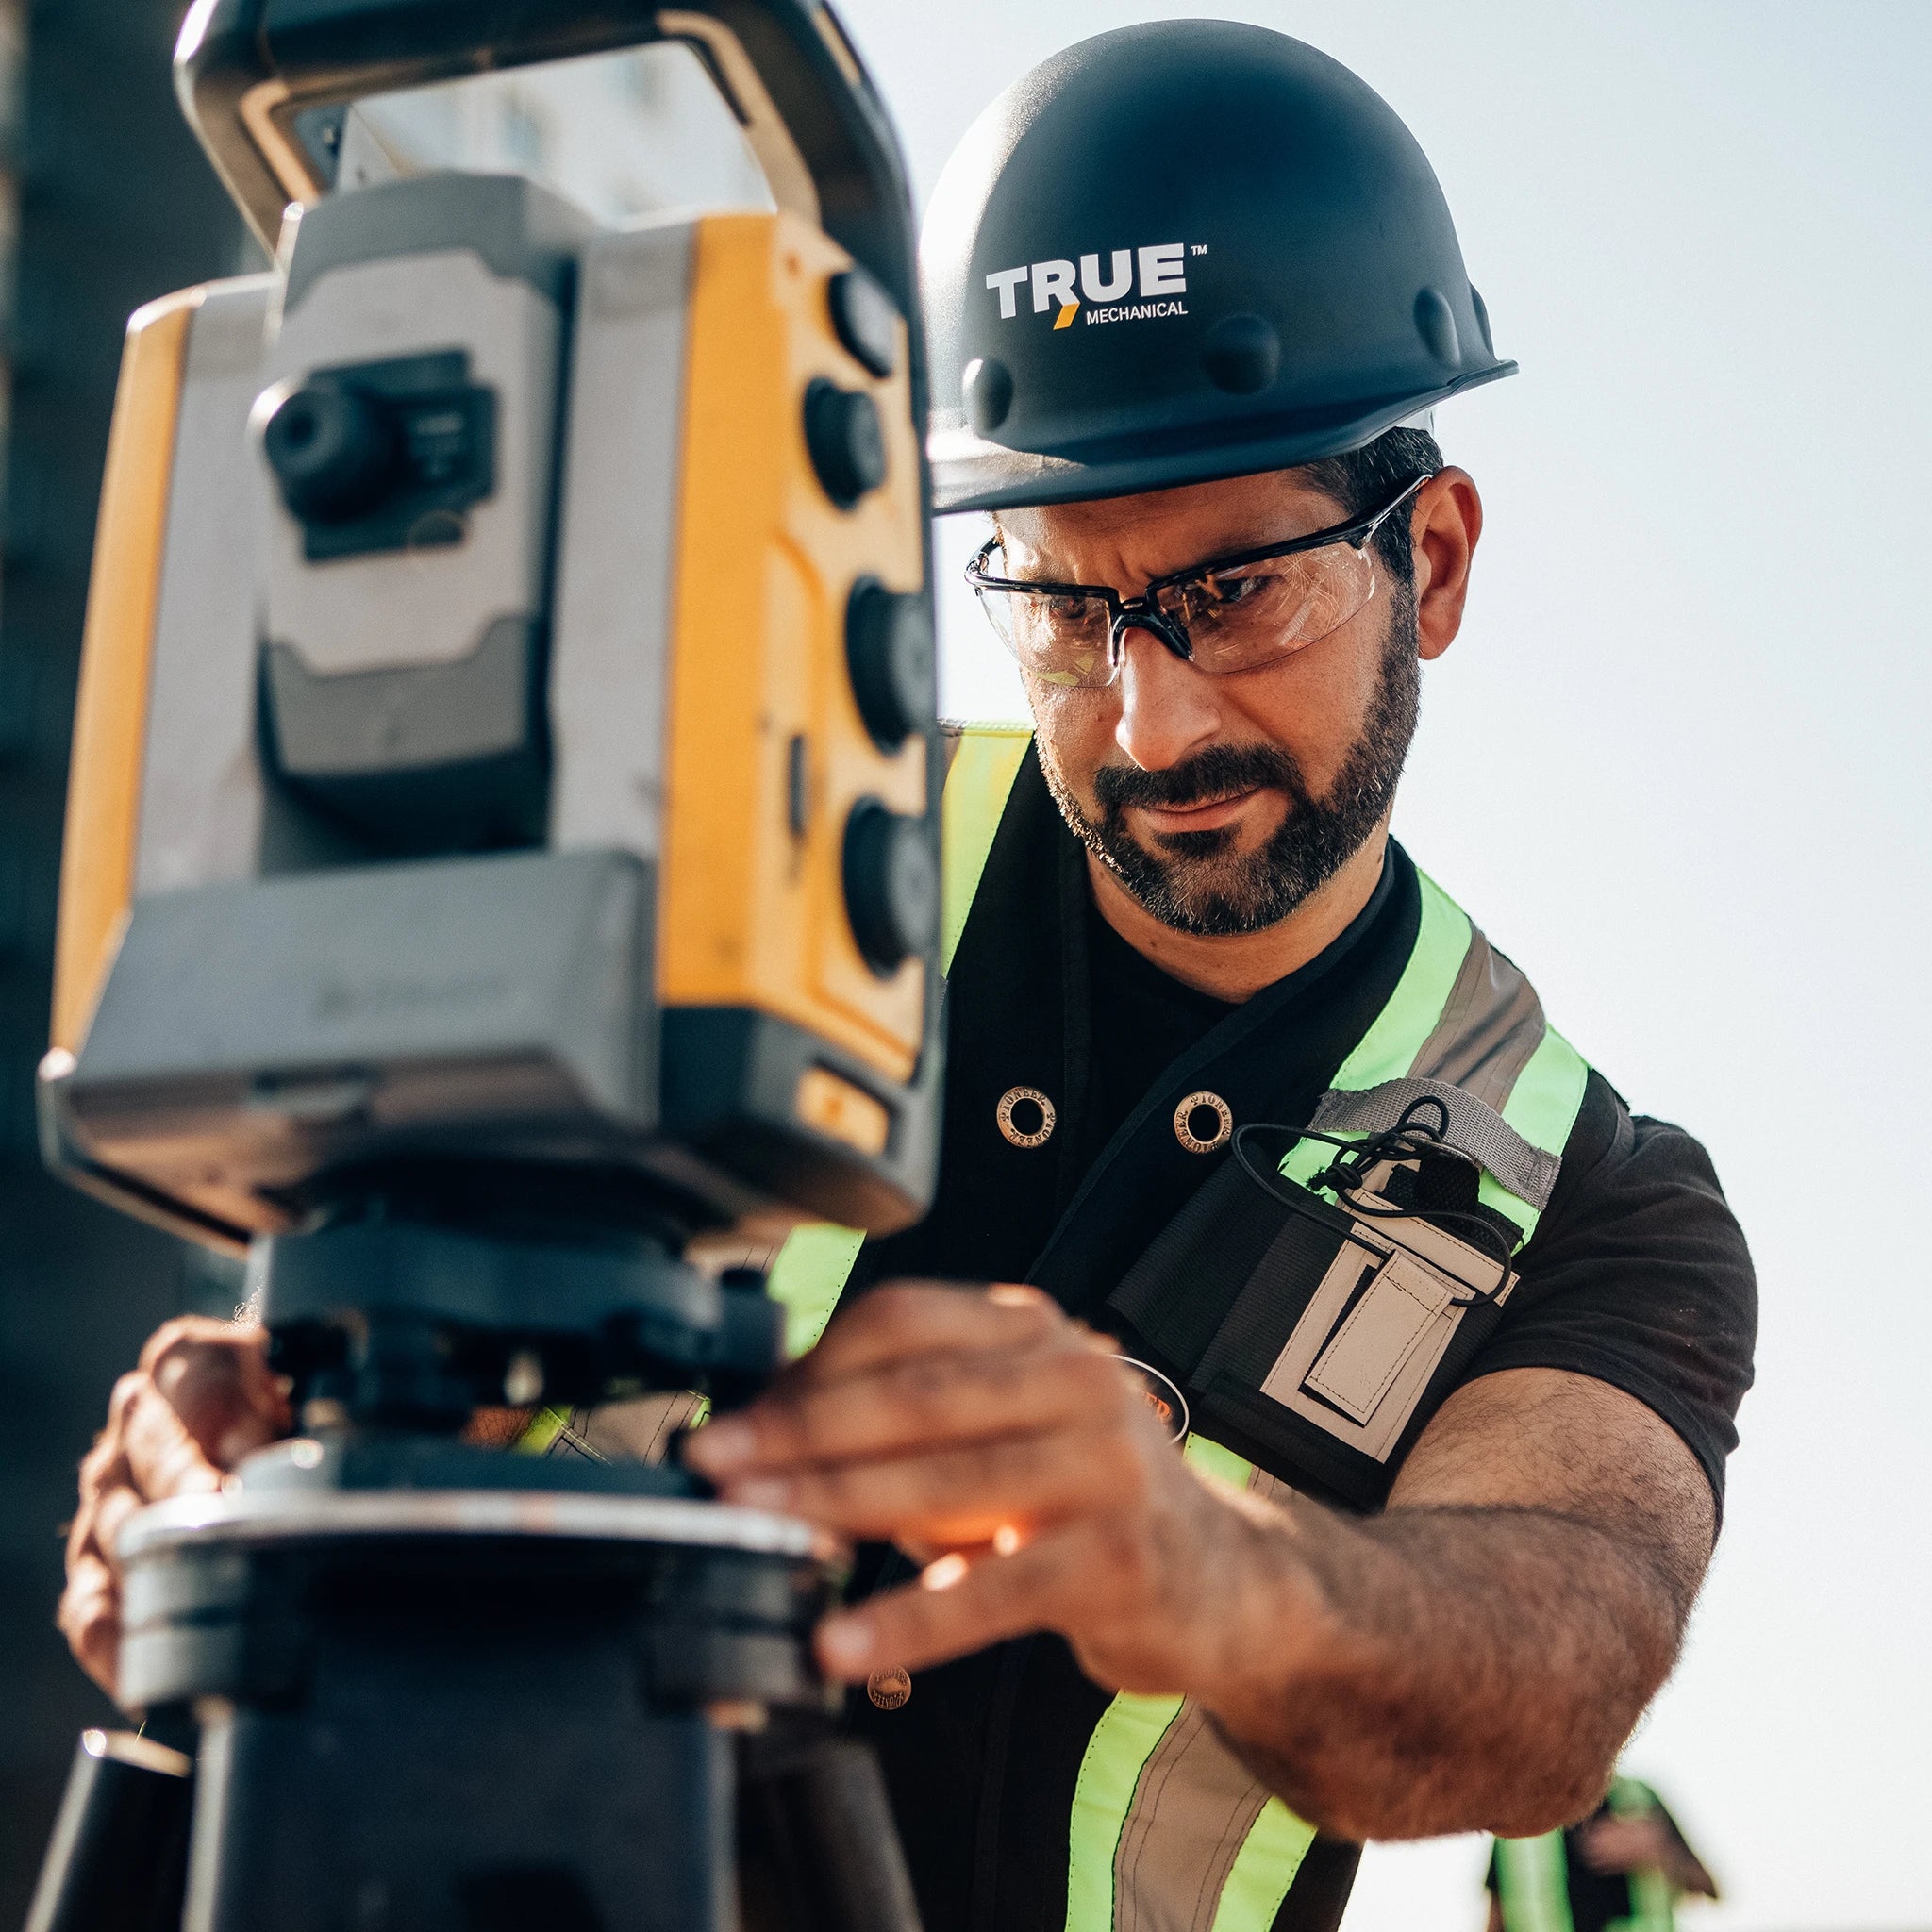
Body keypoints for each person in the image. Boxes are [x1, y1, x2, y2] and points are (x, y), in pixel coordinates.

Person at [58, 22, 1757, 1932]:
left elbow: (1554, 1664)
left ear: (1428, 562)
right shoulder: (716, 873)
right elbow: (397, 1350)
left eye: (1233, 591)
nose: (1149, 718)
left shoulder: (1591, 1194)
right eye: (1059, 602)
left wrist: (1224, 1571)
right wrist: (250, 1446)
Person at [1489, 1774, 1720, 1932]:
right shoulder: (1520, 1817)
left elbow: (1709, 1888)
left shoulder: (1642, 1799)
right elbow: (1496, 1916)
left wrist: (1661, 1850)